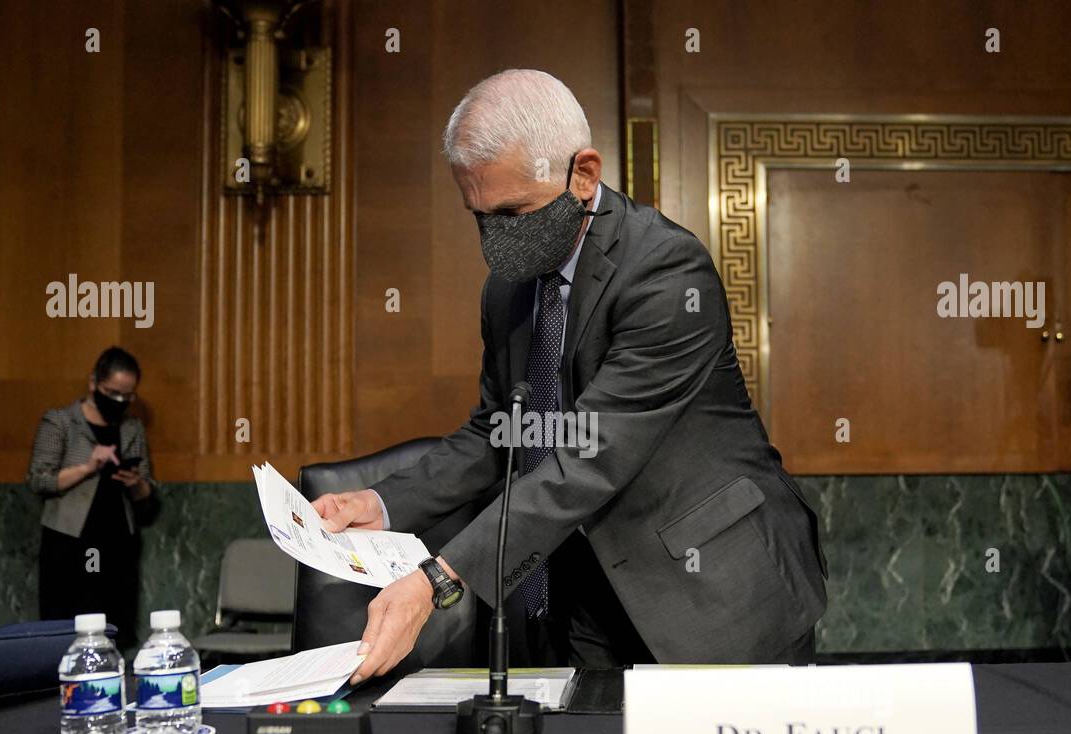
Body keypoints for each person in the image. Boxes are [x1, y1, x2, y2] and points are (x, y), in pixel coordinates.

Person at [314, 69, 827, 683]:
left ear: (582, 174)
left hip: (714, 591)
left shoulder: (666, 271)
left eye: (513, 213)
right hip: (586, 596)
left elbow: (592, 455)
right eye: (480, 218)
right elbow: (499, 431)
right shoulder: (507, 290)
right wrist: (382, 501)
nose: (496, 244)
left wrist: (439, 580)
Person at [27, 347, 157, 649]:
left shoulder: (131, 427)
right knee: (64, 624)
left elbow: (148, 490)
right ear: (93, 383)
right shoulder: (60, 422)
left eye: (128, 396)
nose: (120, 402)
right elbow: (39, 479)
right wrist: (88, 467)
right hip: (69, 540)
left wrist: (135, 483)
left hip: (117, 539)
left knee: (114, 625)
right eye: (113, 394)